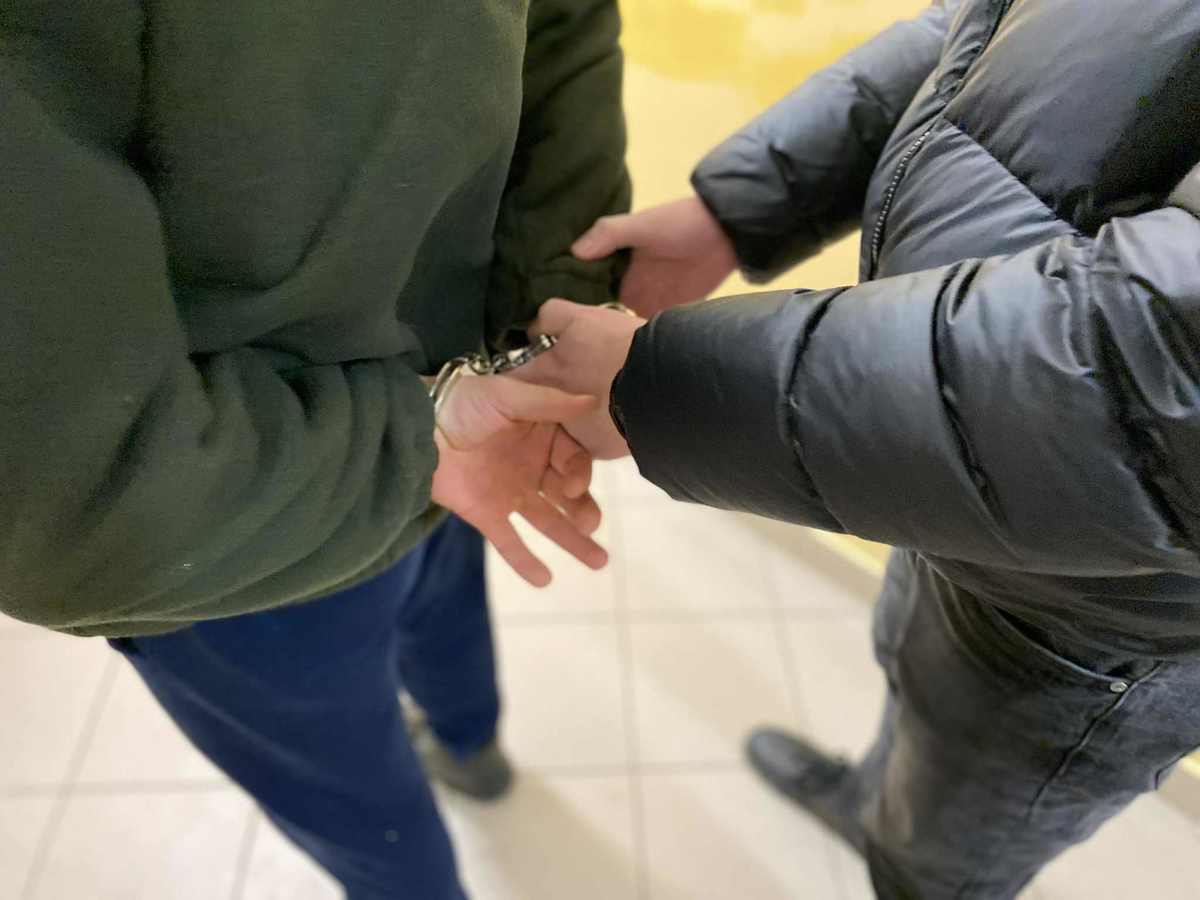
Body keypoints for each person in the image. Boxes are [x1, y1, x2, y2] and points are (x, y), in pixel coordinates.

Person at [518, 0, 1200, 896]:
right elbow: (984, 26)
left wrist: (665, 390)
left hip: (1100, 611)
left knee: (945, 856)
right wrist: (747, 203)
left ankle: (905, 853)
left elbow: (1150, 377)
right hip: (943, 484)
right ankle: (874, 799)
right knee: (914, 684)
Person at [0, 0, 628, 897]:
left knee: (358, 802)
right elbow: (567, 30)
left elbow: (75, 510)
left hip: (263, 508)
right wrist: (541, 317)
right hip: (455, 402)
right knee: (442, 606)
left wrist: (452, 416)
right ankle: (474, 748)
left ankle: (461, 771)